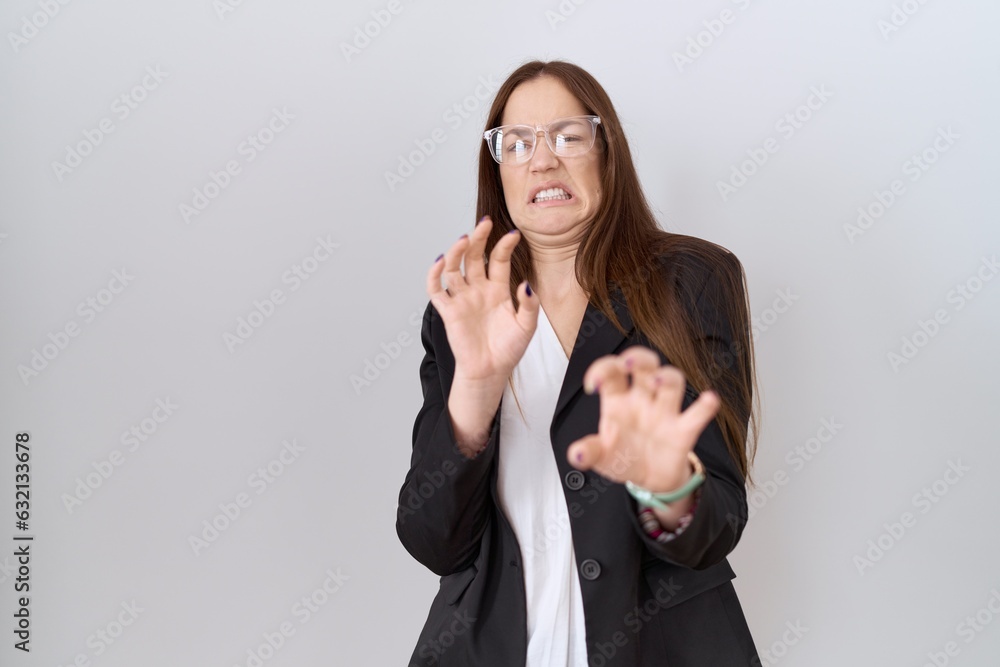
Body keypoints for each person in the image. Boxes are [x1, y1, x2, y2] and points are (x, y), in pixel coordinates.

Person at [396, 59, 761, 666]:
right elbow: (435, 540)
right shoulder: (463, 311)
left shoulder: (692, 282)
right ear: (500, 171)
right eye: (517, 144)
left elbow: (714, 530)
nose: (542, 160)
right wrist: (477, 391)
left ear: (606, 152)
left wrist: (667, 483)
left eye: (568, 136)